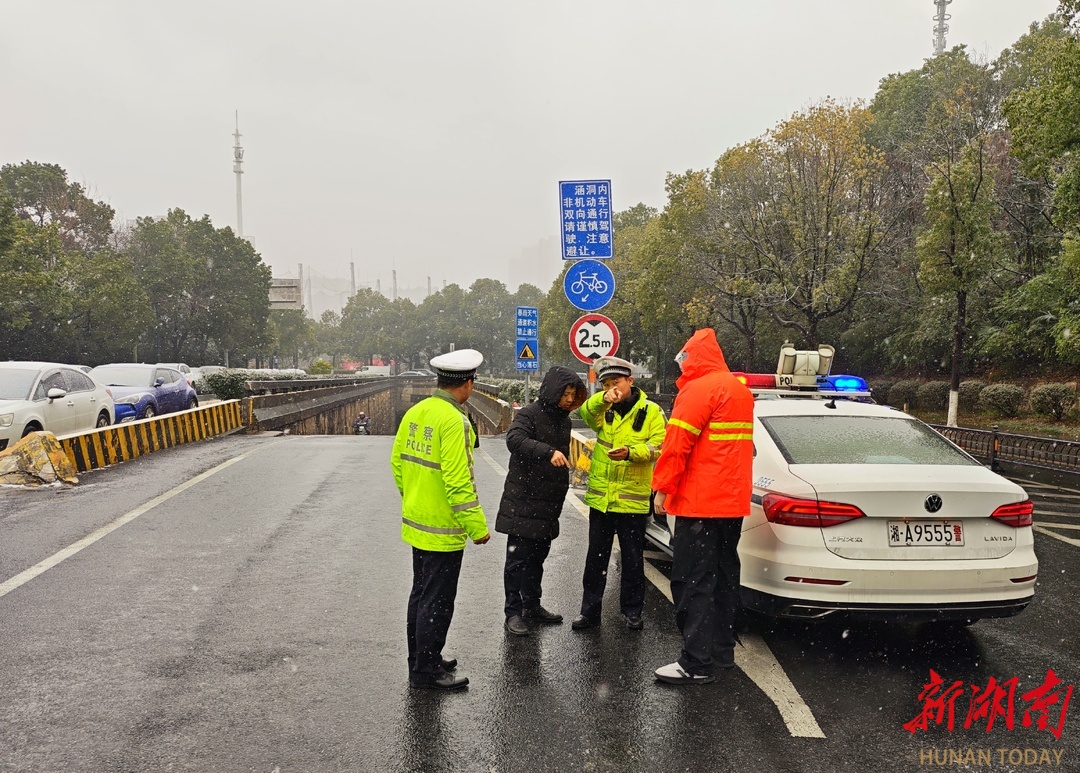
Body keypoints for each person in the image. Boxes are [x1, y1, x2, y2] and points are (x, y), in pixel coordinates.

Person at [651, 329, 754, 685]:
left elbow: (676, 445)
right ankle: (721, 653)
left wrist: (662, 489)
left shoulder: (698, 389)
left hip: (700, 504)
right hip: (731, 504)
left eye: (684, 358)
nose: (681, 365)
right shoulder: (739, 390)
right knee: (724, 578)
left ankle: (695, 663)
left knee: (692, 581)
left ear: (693, 357)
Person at [390, 348, 491, 690]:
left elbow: (397, 463)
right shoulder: (454, 421)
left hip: (418, 521)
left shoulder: (416, 412)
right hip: (443, 528)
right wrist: (477, 527)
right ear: (468, 384)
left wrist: (414, 499)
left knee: (421, 594)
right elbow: (459, 481)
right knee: (438, 601)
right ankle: (427, 671)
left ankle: (421, 657)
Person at [571, 357, 666, 631]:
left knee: (633, 561)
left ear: (630, 381)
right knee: (595, 560)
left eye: (617, 382)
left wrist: (631, 453)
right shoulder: (604, 408)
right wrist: (602, 399)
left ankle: (632, 612)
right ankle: (589, 612)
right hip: (602, 500)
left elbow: (660, 447)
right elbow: (586, 413)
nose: (612, 388)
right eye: (606, 384)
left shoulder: (651, 411)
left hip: (631, 501)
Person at [496, 366, 587, 636]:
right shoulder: (529, 414)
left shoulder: (564, 420)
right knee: (517, 561)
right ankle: (513, 613)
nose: (569, 399)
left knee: (537, 559)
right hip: (523, 500)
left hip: (548, 504)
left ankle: (532, 606)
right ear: (552, 391)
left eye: (573, 395)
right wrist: (548, 452)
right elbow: (515, 439)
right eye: (565, 394)